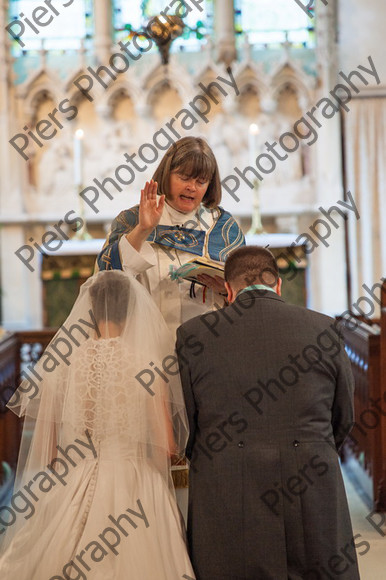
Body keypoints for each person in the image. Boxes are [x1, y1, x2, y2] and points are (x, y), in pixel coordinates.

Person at [176, 246, 360, 580]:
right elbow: (343, 415)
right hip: (311, 475)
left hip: (227, 480)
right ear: (277, 286)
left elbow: (188, 422)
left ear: (228, 291)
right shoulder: (325, 328)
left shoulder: (193, 335)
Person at [0, 271, 195, 580]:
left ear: (90, 306)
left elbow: (49, 453)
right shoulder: (146, 363)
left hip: (74, 477)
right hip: (133, 477)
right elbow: (166, 446)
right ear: (131, 308)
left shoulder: (65, 362)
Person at [96, 136, 245, 336]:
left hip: (207, 346)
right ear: (166, 174)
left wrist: (229, 290)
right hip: (145, 341)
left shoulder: (224, 229)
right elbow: (106, 283)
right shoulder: (133, 220)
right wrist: (142, 230)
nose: (192, 187)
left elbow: (250, 298)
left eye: (201, 181)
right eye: (184, 177)